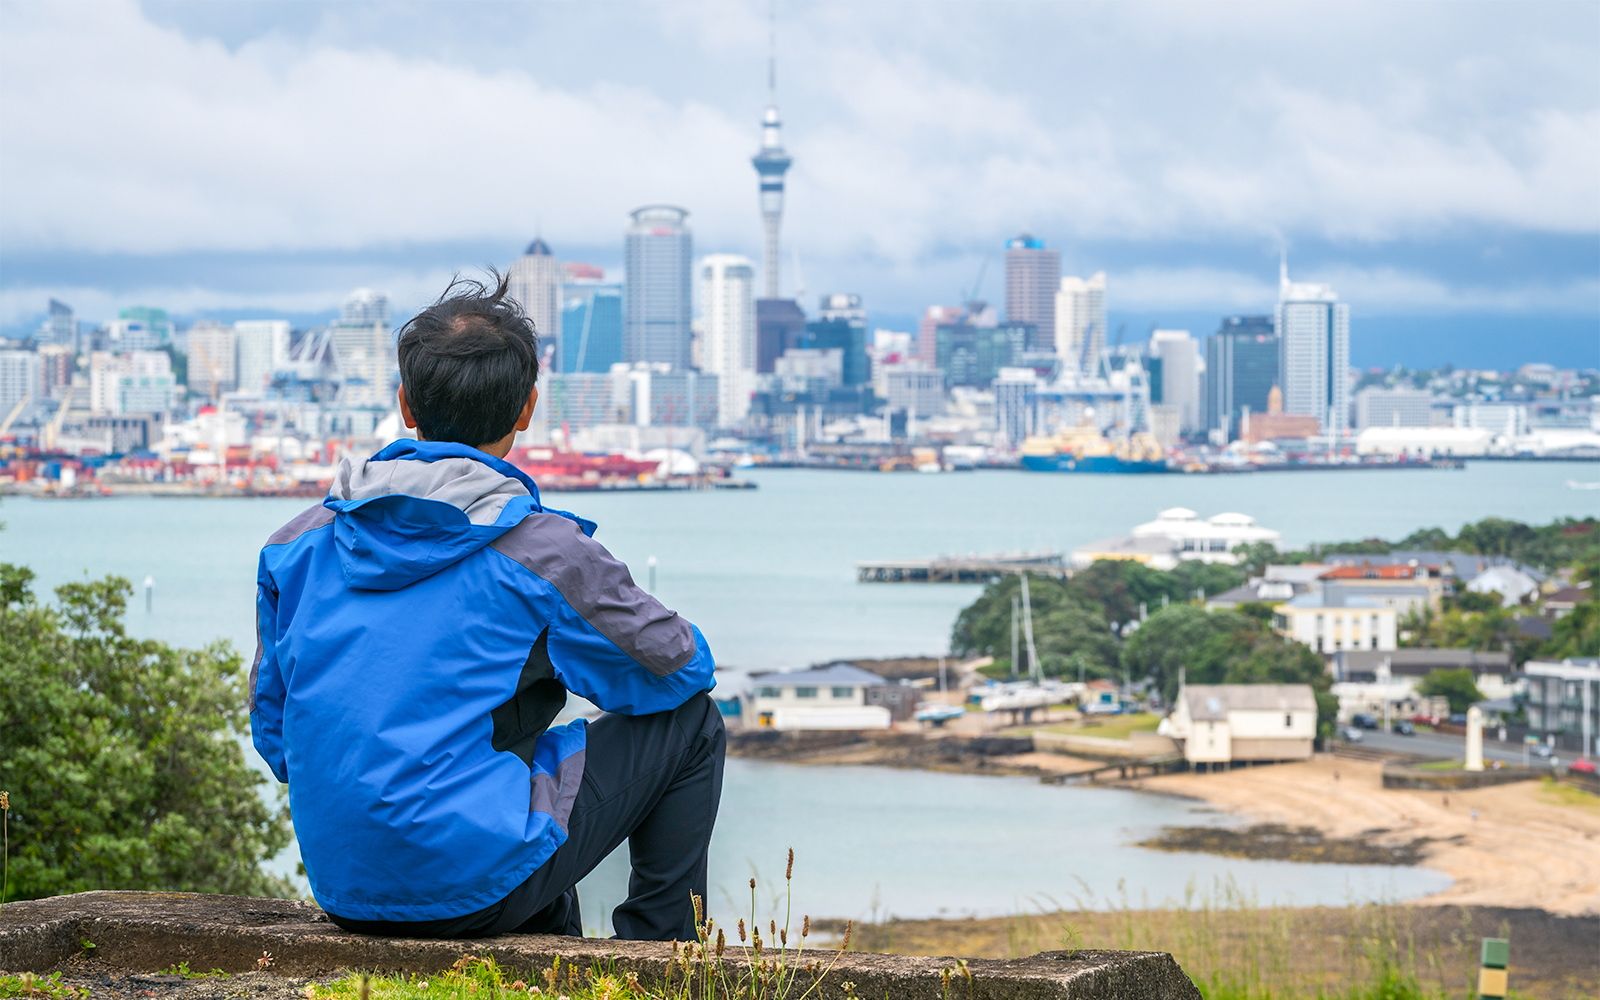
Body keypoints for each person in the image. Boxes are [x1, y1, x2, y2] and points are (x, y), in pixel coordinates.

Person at [250, 273, 723, 940]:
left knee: (512, 758)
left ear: (405, 405)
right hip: (465, 884)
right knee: (695, 724)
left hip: (344, 884)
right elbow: (679, 672)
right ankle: (660, 956)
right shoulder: (541, 553)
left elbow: (276, 734)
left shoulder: (296, 546)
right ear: (527, 408)